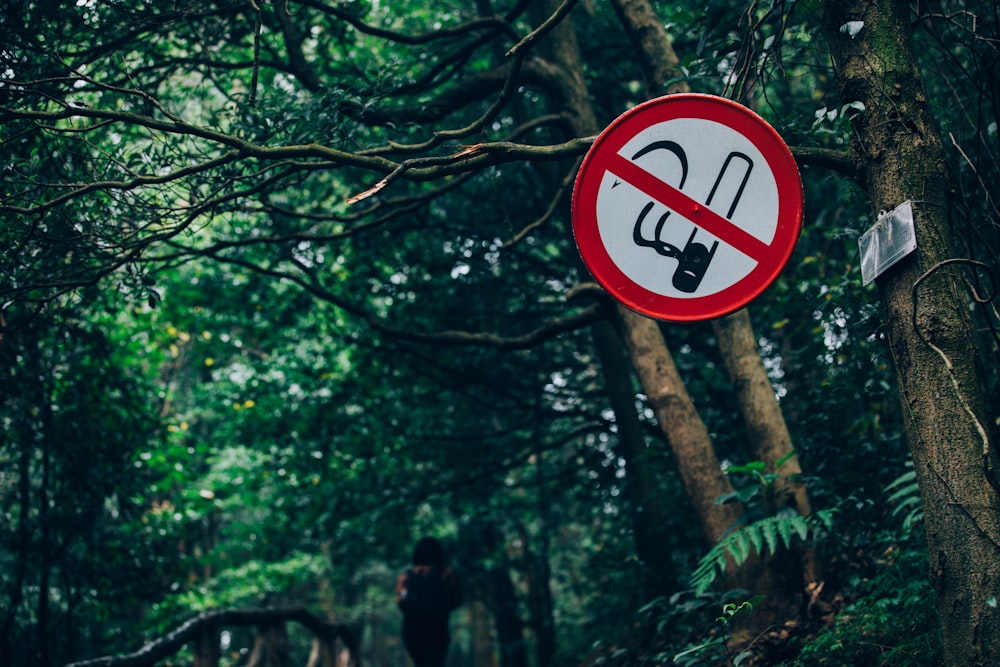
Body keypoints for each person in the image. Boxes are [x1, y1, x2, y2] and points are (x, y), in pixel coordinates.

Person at [396, 537, 463, 667]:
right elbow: (456, 600)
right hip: (437, 628)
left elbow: (401, 602)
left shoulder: (406, 576)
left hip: (412, 629)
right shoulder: (446, 574)